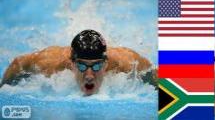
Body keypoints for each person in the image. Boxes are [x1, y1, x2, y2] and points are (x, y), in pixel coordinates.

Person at [1, 30, 156, 96]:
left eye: (96, 66)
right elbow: (18, 63)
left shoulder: (127, 62)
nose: (89, 75)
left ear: (106, 63)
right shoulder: (50, 63)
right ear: (72, 64)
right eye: (82, 66)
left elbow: (156, 76)